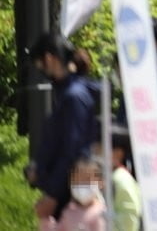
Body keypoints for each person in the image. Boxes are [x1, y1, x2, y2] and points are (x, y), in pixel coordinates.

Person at [28, 33, 99, 224]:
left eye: (39, 64)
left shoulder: (73, 96)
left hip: (68, 196)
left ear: (49, 58)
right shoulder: (70, 92)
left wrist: (52, 195)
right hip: (66, 192)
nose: (40, 69)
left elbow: (71, 151)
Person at [50, 156, 105, 231]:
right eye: (77, 181)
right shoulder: (67, 212)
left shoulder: (103, 213)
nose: (82, 185)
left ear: (100, 182)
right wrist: (46, 219)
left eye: (87, 181)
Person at [106, 126, 142, 231]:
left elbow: (129, 220)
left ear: (118, 153)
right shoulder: (112, 176)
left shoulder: (121, 180)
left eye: (99, 147)